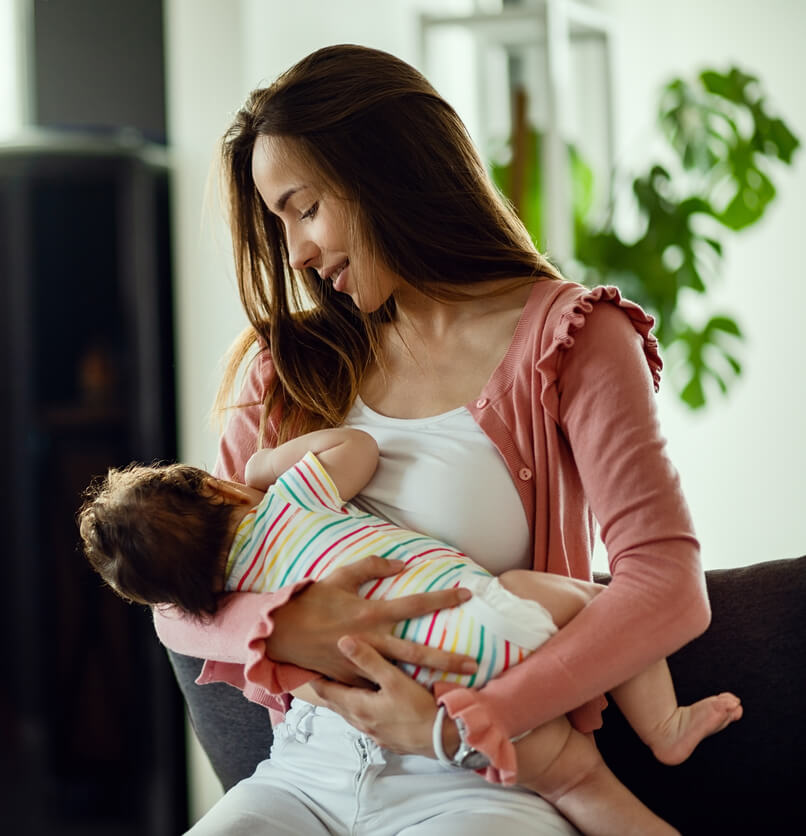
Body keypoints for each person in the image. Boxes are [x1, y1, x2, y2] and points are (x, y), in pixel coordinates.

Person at [152, 43, 719, 834]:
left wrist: (476, 719)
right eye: (280, 224)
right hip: (303, 773)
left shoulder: (573, 339)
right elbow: (176, 599)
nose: (298, 254)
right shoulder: (285, 368)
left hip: (482, 778)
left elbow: (665, 584)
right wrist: (283, 625)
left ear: (385, 170)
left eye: (306, 208)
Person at [80, 427, 741, 834]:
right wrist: (266, 465)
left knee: (576, 783)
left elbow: (179, 620)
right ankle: (664, 726)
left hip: (412, 690)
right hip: (484, 631)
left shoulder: (239, 598)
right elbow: (358, 448)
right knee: (596, 605)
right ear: (220, 492)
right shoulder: (289, 498)